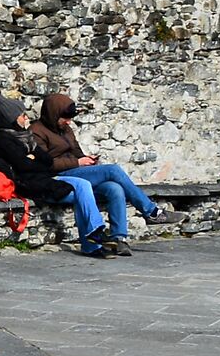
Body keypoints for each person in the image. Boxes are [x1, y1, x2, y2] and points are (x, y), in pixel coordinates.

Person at [0, 92, 121, 256]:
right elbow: (24, 166)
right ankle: (93, 239)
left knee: (83, 186)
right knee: (82, 189)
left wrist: (33, 159)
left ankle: (94, 236)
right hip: (28, 185)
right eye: (22, 115)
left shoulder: (26, 137)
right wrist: (34, 160)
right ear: (12, 118)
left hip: (42, 180)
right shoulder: (3, 140)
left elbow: (47, 160)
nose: (26, 118)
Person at [31, 91, 163, 245]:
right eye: (65, 118)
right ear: (52, 114)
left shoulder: (66, 130)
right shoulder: (36, 131)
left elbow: (76, 152)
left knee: (114, 188)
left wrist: (87, 160)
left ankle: (119, 238)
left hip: (75, 170)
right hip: (57, 176)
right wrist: (78, 163)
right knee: (112, 170)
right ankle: (151, 211)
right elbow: (45, 163)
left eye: (70, 118)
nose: (68, 122)